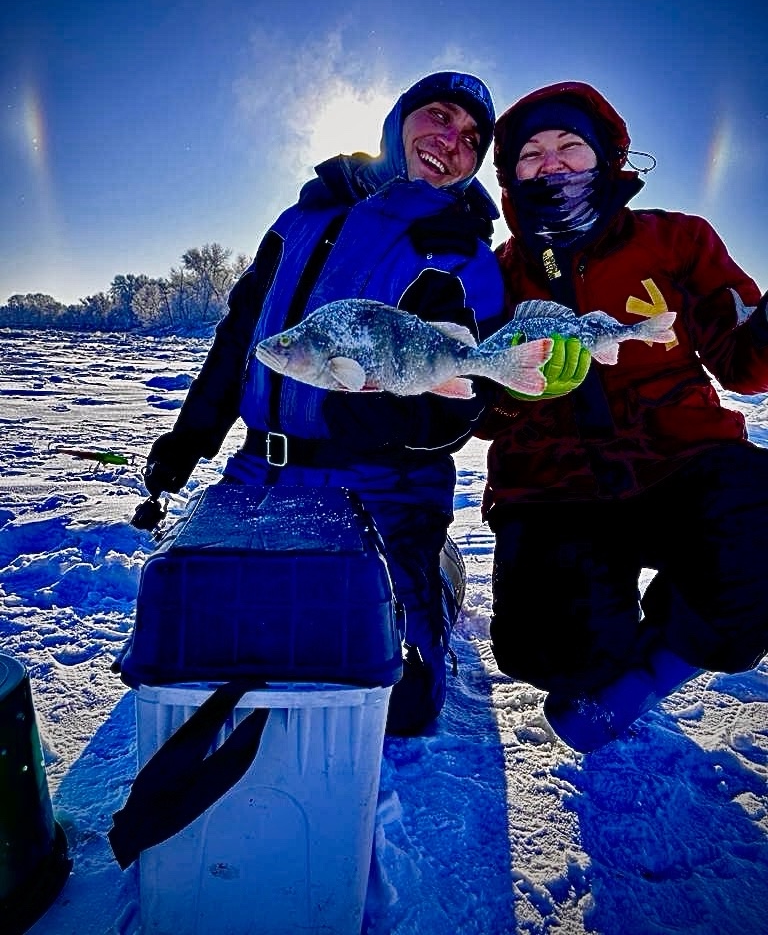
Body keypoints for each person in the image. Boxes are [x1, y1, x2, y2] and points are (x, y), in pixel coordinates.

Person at [138, 71, 511, 737]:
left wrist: (351, 412)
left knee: (396, 702)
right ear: (398, 121)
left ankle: (436, 578)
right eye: (439, 116)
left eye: (471, 139)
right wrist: (188, 439)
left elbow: (457, 406)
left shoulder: (465, 259)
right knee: (200, 650)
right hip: (261, 473)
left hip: (386, 489)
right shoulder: (300, 220)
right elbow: (239, 342)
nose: (450, 141)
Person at [477, 80, 768, 752]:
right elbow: (479, 413)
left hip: (683, 466)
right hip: (554, 487)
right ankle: (597, 636)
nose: (551, 164)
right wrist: (513, 387)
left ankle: (645, 675)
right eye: (531, 154)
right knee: (546, 650)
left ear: (609, 159)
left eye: (570, 147)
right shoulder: (495, 275)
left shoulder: (676, 241)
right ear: (509, 176)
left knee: (754, 563)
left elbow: (745, 364)